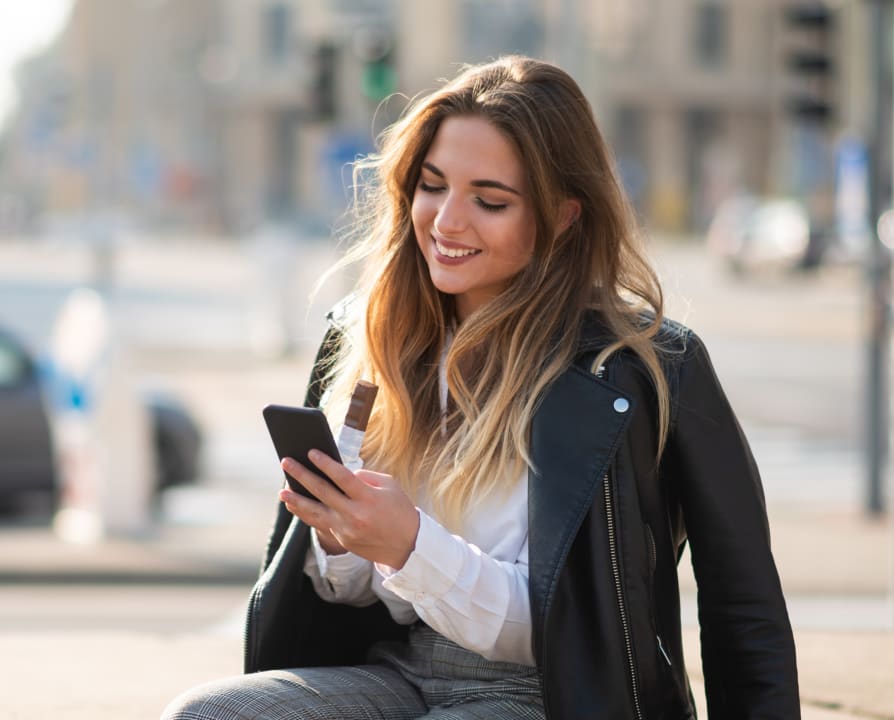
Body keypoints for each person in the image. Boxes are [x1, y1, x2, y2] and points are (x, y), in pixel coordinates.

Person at [162, 55, 800, 720]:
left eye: (490, 200)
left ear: (562, 217)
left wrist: (408, 544)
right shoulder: (368, 336)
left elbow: (739, 602)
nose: (446, 222)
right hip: (396, 673)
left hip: (555, 694)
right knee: (206, 715)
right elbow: (344, 596)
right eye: (432, 186)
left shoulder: (646, 365)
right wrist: (341, 534)